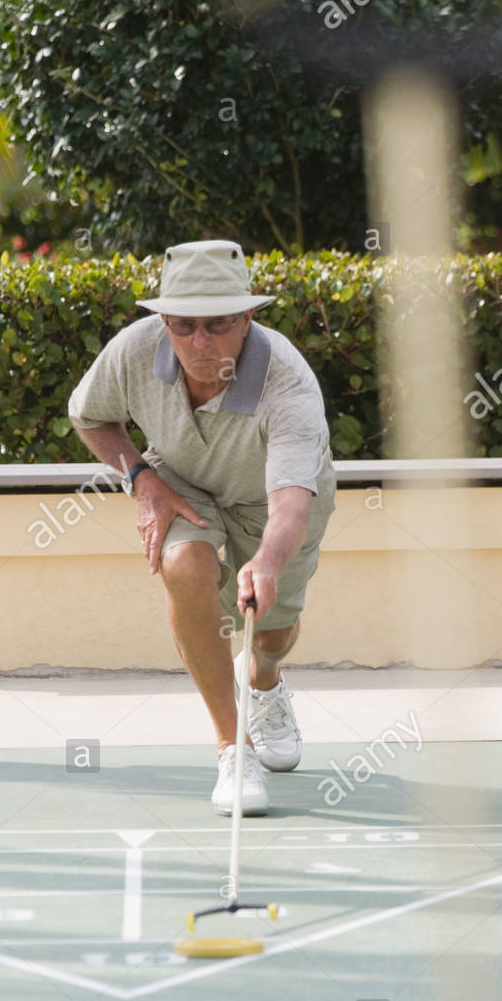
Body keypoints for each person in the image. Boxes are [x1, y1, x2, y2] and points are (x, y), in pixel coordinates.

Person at [68, 239, 336, 816]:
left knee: (271, 635)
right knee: (183, 565)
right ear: (164, 321)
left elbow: (292, 502)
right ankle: (231, 749)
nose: (200, 342)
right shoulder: (136, 350)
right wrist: (141, 477)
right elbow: (89, 416)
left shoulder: (287, 383)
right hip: (181, 479)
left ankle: (263, 680)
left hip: (272, 500)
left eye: (218, 325)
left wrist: (265, 562)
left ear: (248, 319)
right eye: (183, 325)